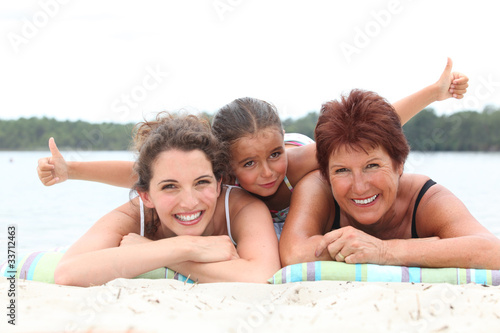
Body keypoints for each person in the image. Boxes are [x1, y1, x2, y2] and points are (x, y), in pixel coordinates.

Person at [38, 58, 468, 239]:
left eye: (272, 156)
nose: (266, 173)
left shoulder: (297, 163)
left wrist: (433, 93)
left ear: (283, 147)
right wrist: (71, 170)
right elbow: (142, 174)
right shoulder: (222, 175)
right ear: (227, 165)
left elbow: (366, 131)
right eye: (250, 163)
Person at [279, 89, 500, 269]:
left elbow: (492, 251)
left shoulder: (425, 198)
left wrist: (384, 251)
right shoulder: (318, 187)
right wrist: (433, 248)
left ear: (399, 164)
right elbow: (294, 253)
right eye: (342, 170)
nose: (360, 186)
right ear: (326, 173)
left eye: (372, 166)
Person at [54, 113, 280, 287]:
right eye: (170, 186)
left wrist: (154, 252)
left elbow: (262, 276)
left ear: (219, 183)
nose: (189, 202)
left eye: (202, 182)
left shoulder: (242, 208)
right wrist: (186, 247)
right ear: (146, 195)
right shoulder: (134, 215)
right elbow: (67, 272)